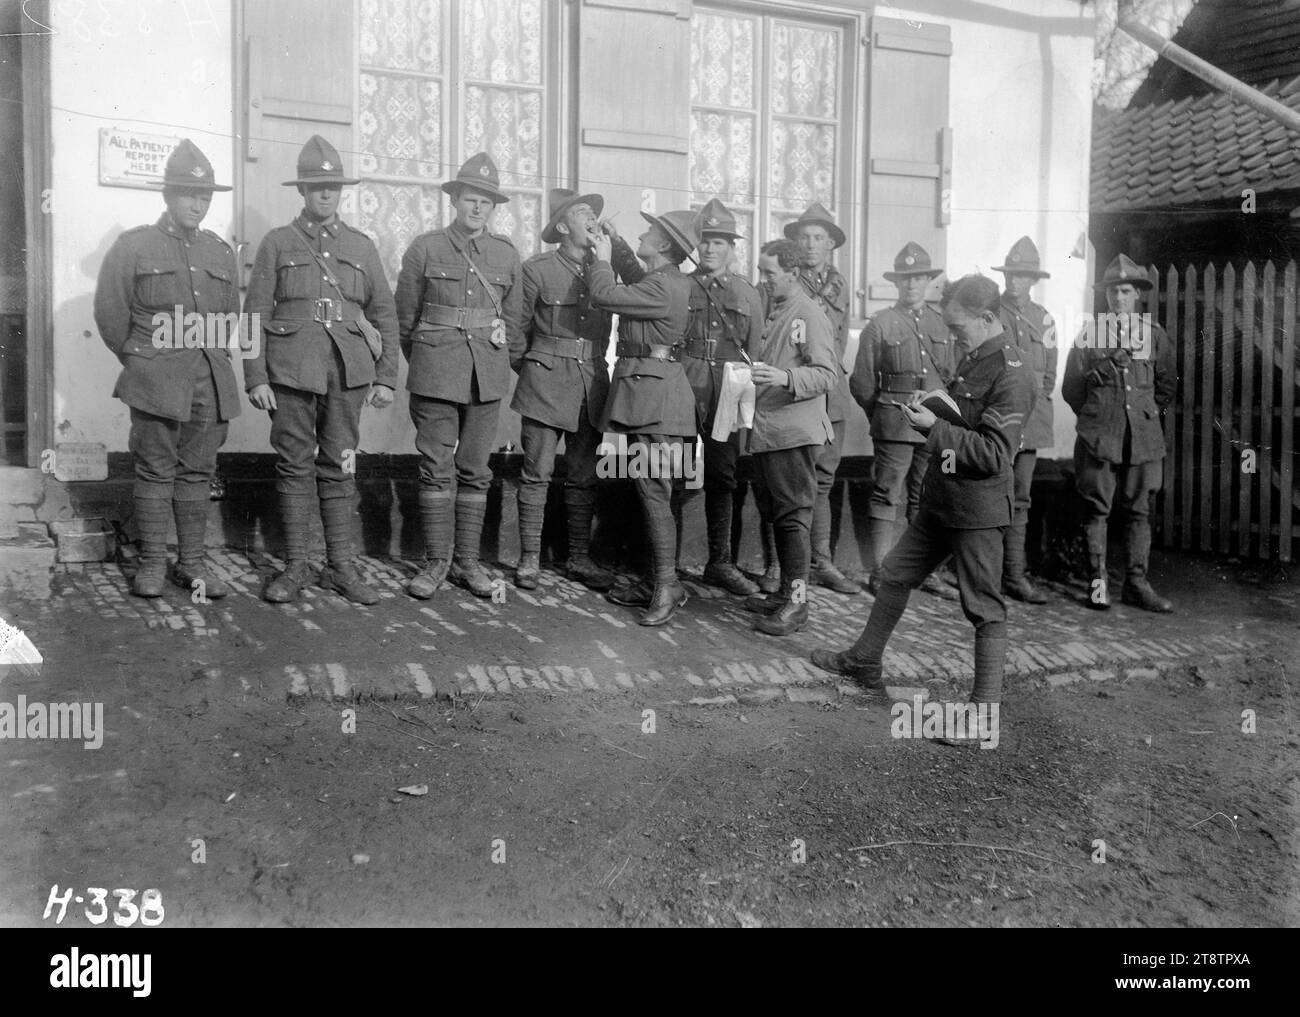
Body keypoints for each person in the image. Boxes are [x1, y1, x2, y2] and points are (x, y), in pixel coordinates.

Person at [813, 275, 1036, 722]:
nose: (954, 338)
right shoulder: (976, 357)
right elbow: (964, 417)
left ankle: (982, 717)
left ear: (988, 318)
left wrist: (932, 429)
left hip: (976, 510)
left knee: (983, 606)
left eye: (959, 329)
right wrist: (933, 405)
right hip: (942, 499)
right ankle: (864, 661)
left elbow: (994, 453)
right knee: (895, 574)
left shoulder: (1013, 373)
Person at [244, 135, 399, 605]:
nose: (324, 194)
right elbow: (253, 315)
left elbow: (385, 314)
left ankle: (341, 567)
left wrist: (387, 376)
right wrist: (256, 376)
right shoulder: (277, 243)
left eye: (332, 186)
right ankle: (295, 565)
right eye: (315, 187)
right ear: (302, 192)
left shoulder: (360, 245)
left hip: (347, 372)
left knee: (340, 464)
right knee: (293, 464)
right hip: (290, 370)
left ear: (341, 191)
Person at [94, 139, 241, 598]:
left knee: (197, 472)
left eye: (205, 197)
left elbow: (229, 316)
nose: (197, 204)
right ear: (167, 196)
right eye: (188, 194)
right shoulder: (134, 246)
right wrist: (141, 360)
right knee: (156, 469)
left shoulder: (220, 252)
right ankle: (153, 564)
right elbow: (111, 315)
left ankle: (192, 563)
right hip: (156, 378)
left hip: (208, 378)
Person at [395, 153, 522, 600]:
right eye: (471, 199)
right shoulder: (425, 248)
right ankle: (434, 562)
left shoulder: (506, 254)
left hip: (486, 374)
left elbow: (516, 319)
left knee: (476, 468)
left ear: (493, 208)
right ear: (456, 200)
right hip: (434, 372)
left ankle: (467, 562)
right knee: (435, 467)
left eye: (486, 203)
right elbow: (404, 320)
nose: (477, 209)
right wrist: (429, 360)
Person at [588, 210, 698, 626]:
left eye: (650, 232)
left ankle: (667, 585)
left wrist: (601, 258)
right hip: (644, 395)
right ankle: (656, 581)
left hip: (656, 403)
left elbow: (605, 294)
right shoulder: (663, 280)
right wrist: (616, 244)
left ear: (666, 245)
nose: (642, 233)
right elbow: (636, 277)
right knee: (643, 491)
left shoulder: (664, 286)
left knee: (653, 493)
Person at [510, 188, 615, 592]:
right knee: (536, 473)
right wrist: (535, 366)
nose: (592, 218)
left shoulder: (603, 269)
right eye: (582, 212)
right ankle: (529, 559)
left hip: (591, 381)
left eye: (594, 212)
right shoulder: (537, 269)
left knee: (584, 475)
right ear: (562, 226)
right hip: (544, 382)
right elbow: (516, 330)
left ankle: (578, 558)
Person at [1062, 253, 1177, 613]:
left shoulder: (1154, 336)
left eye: (1125, 291)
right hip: (1101, 434)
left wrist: (1143, 417)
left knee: (1140, 510)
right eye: (1113, 292)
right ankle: (1098, 583)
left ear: (1137, 294)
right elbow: (1072, 389)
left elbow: (1165, 386)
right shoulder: (1089, 335)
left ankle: (1137, 583)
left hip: (1142, 437)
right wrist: (1100, 415)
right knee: (1097, 509)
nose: (1118, 298)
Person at [850, 241, 957, 596]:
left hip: (934, 423)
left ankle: (922, 571)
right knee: (885, 494)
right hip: (894, 424)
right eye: (905, 279)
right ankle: (881, 571)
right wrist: (881, 415)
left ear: (928, 281)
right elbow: (862, 381)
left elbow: (954, 376)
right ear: (896, 284)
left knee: (925, 498)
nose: (912, 285)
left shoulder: (942, 324)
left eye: (919, 278)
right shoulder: (881, 323)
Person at [744, 240, 838, 635]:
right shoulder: (778, 310)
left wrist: (784, 378)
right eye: (762, 272)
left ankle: (798, 604)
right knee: (779, 517)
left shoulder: (808, 314)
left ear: (793, 273)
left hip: (794, 433)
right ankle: (786, 593)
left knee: (794, 520)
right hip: (770, 431)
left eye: (769, 273)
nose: (763, 280)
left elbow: (827, 374)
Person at [679, 198, 764, 596]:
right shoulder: (680, 286)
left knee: (723, 475)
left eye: (719, 242)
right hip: (684, 381)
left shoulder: (748, 294)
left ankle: (720, 562)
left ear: (732, 248)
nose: (710, 249)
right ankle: (665, 565)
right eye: (705, 241)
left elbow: (754, 350)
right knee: (672, 468)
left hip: (728, 389)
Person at [778, 202, 859, 595]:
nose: (810, 244)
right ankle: (785, 566)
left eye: (818, 238)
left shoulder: (841, 286)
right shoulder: (787, 281)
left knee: (825, 478)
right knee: (792, 480)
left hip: (831, 390)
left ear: (830, 244)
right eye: (804, 237)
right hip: (795, 387)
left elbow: (838, 341)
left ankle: (821, 560)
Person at [994, 236, 1056, 604]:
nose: (1015, 282)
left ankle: (1014, 576)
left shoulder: (1044, 319)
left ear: (1033, 281)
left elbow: (1049, 374)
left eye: (1022, 277)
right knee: (989, 495)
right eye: (1011, 275)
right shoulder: (992, 314)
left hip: (1029, 422)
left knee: (1021, 498)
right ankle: (986, 574)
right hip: (998, 420)